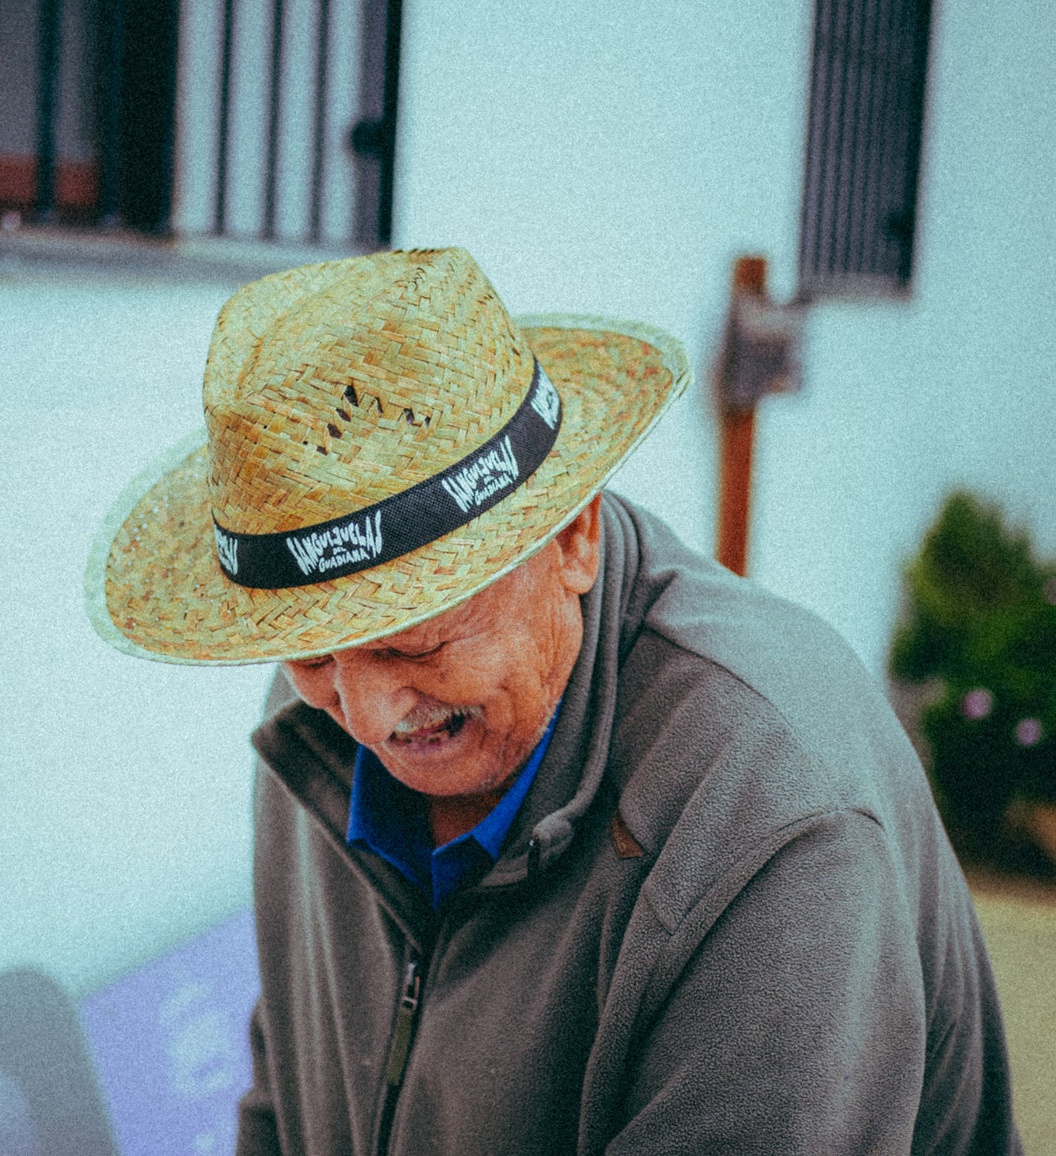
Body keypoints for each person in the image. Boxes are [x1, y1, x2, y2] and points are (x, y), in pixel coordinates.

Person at [87, 248, 1022, 1154]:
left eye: (411, 642)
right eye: (312, 655)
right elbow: (287, 1088)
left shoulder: (771, 817)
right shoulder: (317, 719)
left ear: (570, 536)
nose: (367, 719)